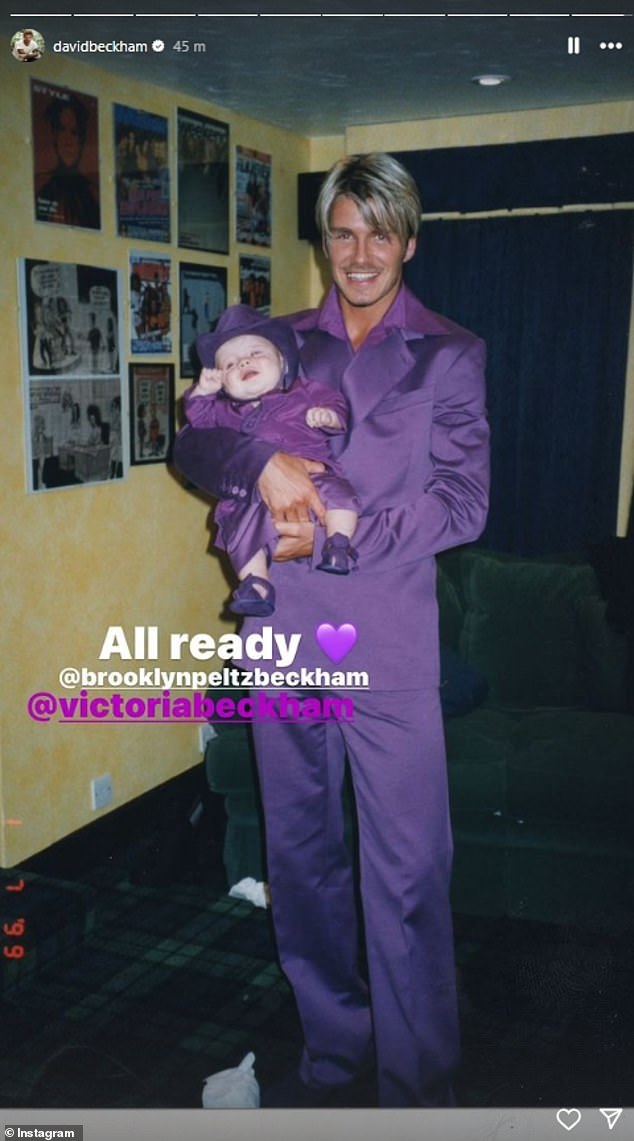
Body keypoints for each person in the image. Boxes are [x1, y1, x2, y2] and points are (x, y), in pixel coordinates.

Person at [173, 152, 490, 1108]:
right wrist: (257, 470)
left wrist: (337, 538)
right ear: (323, 238)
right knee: (301, 859)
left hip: (387, 642)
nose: (360, 253)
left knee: (409, 871)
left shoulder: (449, 352)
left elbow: (464, 501)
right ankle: (333, 1052)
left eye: (380, 233)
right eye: (343, 231)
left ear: (410, 241)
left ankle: (417, 1084)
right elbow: (193, 436)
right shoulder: (276, 339)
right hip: (281, 640)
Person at [184, 303, 360, 616]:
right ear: (224, 382)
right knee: (238, 525)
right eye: (230, 364)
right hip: (253, 496)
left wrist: (328, 418)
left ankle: (338, 542)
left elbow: (337, 408)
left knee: (340, 494)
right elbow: (196, 425)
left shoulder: (304, 392)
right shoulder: (225, 411)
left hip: (315, 473)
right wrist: (202, 392)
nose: (244, 362)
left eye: (255, 353)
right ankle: (255, 581)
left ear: (282, 360)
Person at [36, 94, 100, 229]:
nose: (68, 141)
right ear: (54, 136)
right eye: (61, 130)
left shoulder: (93, 194)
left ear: (81, 140)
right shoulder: (41, 188)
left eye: (74, 132)